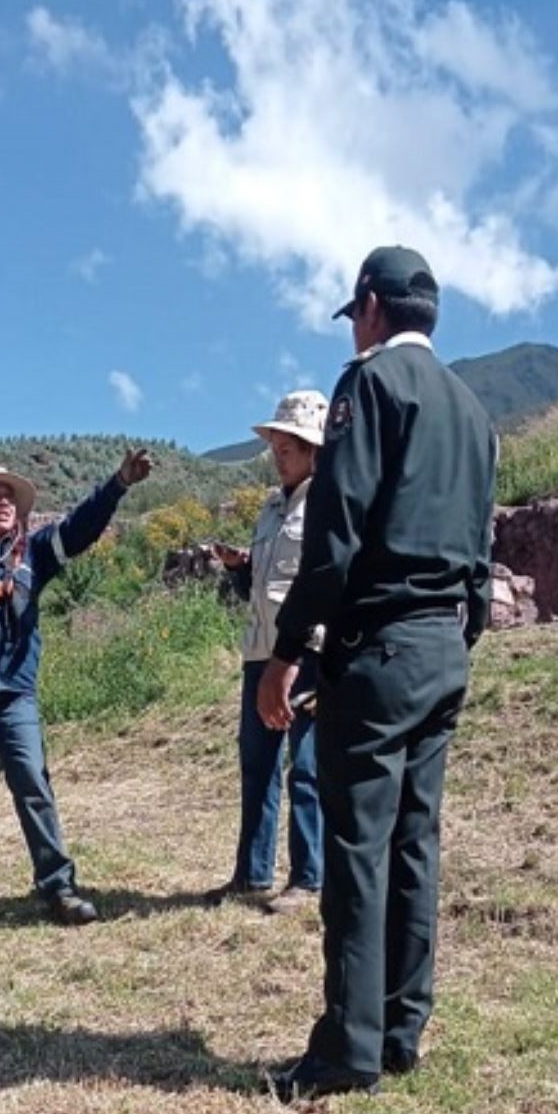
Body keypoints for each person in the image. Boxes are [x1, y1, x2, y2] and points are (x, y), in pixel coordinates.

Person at [255, 246, 498, 1101]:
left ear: (368, 307)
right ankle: (402, 1028)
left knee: (358, 845)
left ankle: (347, 1049)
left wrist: (287, 651)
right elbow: (481, 549)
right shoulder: (475, 411)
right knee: (414, 842)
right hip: (443, 648)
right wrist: (457, 631)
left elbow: (335, 537)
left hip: (381, 642)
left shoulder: (368, 386)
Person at [0, 448, 155, 933]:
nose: (2, 501)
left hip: (14, 693)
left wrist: (118, 484)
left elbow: (80, 527)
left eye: (8, 495)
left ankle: (58, 888)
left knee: (31, 783)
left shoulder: (35, 553)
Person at [208, 390, 330, 915]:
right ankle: (252, 874)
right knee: (257, 765)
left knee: (305, 767)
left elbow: (324, 585)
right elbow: (262, 587)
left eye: (289, 447)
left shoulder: (328, 507)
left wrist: (301, 655)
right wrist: (240, 568)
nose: (278, 456)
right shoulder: (271, 509)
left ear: (314, 451)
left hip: (307, 655)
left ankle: (309, 877)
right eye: (276, 446)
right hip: (260, 654)